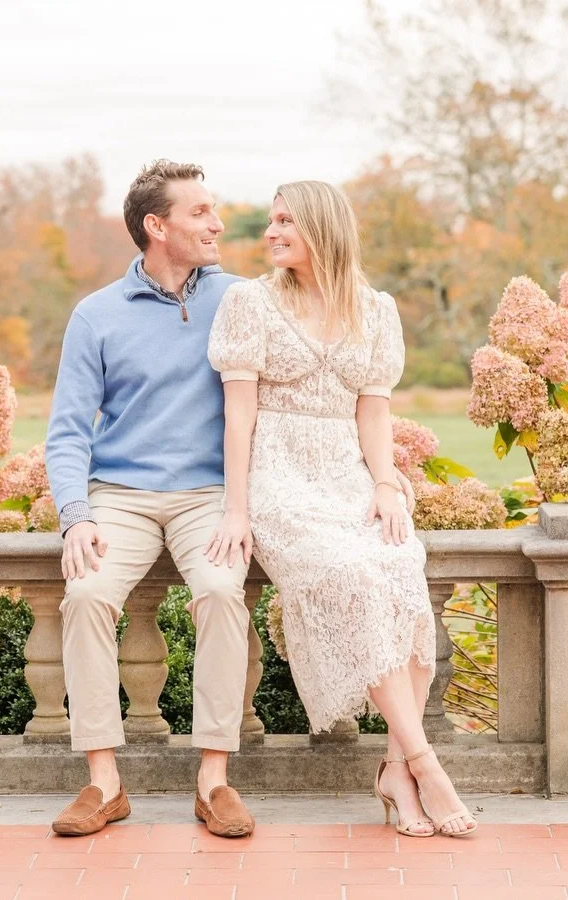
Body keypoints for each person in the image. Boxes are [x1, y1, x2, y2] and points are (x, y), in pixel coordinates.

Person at [44, 160, 416, 838]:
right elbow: (68, 431)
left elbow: (324, 349)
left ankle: (213, 780)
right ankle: (103, 783)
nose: (219, 223)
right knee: (87, 596)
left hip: (210, 496)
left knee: (221, 592)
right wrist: (76, 516)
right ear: (157, 227)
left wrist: (368, 476)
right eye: (200, 214)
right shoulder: (95, 316)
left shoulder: (245, 299)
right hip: (120, 496)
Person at [206, 180, 478, 838]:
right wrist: (237, 509)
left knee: (400, 569)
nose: (271, 233)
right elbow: (236, 418)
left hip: (346, 473)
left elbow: (374, 413)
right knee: (354, 575)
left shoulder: (376, 309)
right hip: (280, 476)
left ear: (323, 231)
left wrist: (386, 484)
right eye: (271, 221)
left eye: (286, 223)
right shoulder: (250, 303)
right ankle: (424, 763)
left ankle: (394, 771)